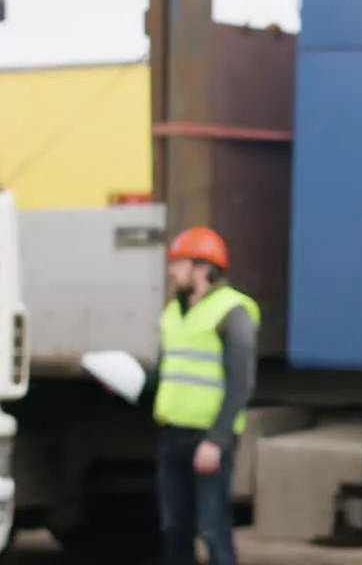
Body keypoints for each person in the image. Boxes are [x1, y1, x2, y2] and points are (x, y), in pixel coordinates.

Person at [141, 226, 259, 565]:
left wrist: (216, 440)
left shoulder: (232, 312)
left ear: (204, 269)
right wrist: (132, 382)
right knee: (174, 528)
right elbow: (168, 372)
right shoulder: (173, 312)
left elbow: (241, 383)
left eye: (179, 263)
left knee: (213, 529)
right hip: (172, 434)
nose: (171, 270)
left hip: (208, 439)